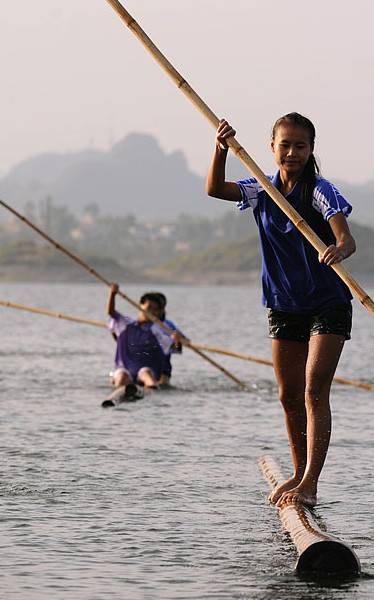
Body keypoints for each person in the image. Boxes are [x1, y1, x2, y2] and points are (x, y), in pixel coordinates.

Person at [206, 112, 356, 508]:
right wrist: (220, 149)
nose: (292, 153)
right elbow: (215, 190)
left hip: (328, 304)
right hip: (283, 305)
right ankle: (297, 468)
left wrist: (336, 249)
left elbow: (346, 239)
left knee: (313, 391)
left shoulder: (321, 191)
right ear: (272, 147)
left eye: (300, 146)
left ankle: (310, 482)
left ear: (311, 151)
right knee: (289, 396)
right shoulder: (262, 190)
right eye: (284, 145)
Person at [106, 284, 175, 393]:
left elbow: (173, 347)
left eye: (156, 310)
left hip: (146, 369)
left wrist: (176, 339)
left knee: (148, 377)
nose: (152, 312)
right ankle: (120, 392)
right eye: (149, 308)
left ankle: (147, 391)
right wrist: (112, 293)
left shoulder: (157, 329)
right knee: (121, 377)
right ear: (140, 306)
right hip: (124, 367)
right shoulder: (126, 323)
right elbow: (111, 312)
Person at [147, 292, 184, 387]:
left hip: (163, 364)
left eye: (160, 308)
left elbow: (178, 347)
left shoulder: (169, 325)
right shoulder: (141, 324)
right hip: (145, 362)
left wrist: (177, 340)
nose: (156, 311)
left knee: (161, 384)